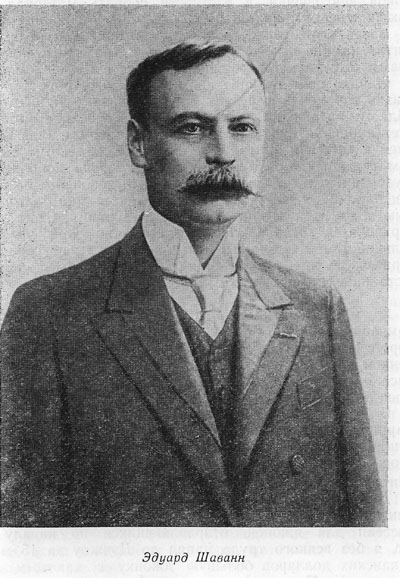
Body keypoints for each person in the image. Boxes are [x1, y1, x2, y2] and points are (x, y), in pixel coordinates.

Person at [1, 41, 384, 527]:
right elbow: (22, 538)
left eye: (242, 128)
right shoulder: (50, 312)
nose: (223, 153)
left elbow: (363, 527)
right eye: (192, 127)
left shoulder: (316, 308)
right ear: (139, 145)